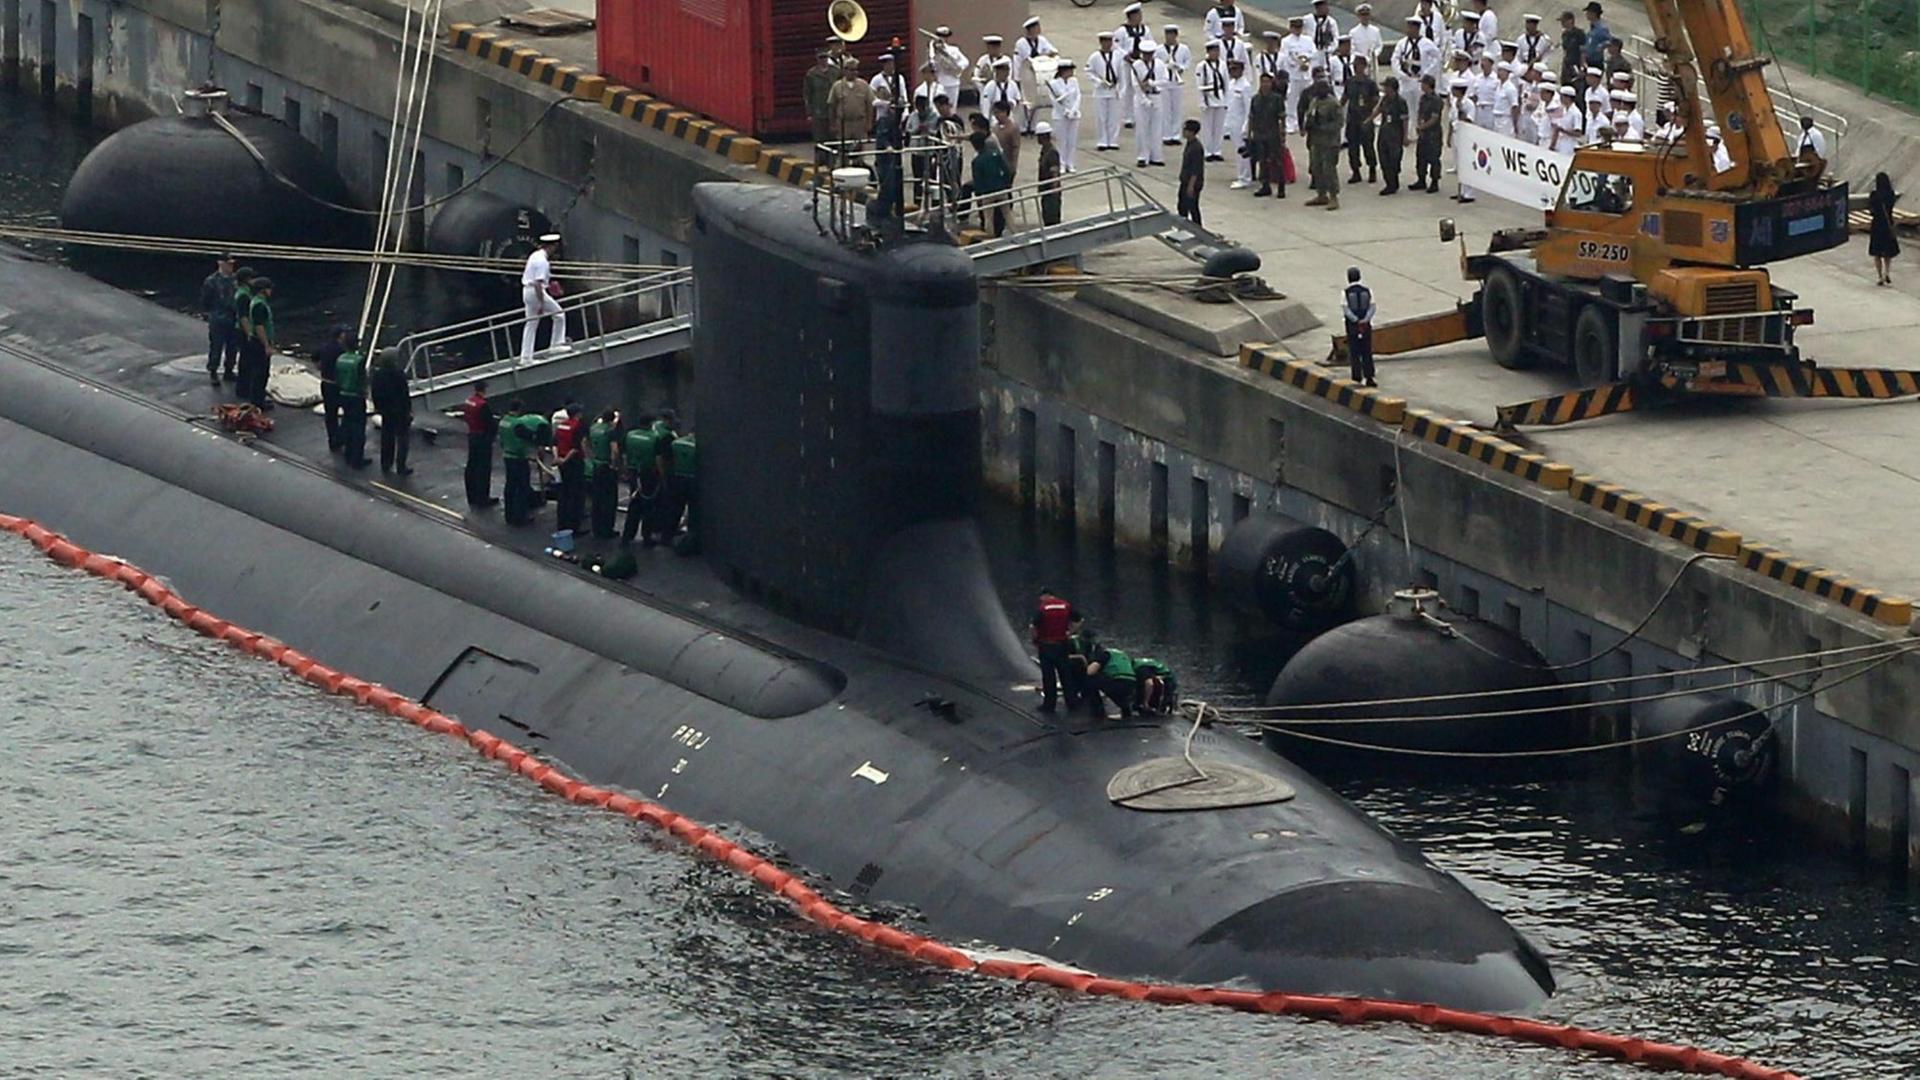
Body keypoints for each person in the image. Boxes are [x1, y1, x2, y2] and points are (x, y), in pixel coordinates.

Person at [498, 400, 548, 526]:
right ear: (520, 409)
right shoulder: (517, 424)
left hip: (507, 456)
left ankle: (509, 515)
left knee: (510, 486)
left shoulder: (503, 421)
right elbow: (530, 436)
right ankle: (520, 516)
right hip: (518, 458)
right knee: (521, 487)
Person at [520, 234, 567, 362]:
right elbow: (537, 283)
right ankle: (556, 345)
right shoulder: (543, 262)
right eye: (555, 247)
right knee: (559, 314)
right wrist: (541, 303)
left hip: (526, 291)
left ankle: (525, 357)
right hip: (536, 292)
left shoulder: (535, 255)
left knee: (531, 324)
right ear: (551, 247)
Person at [1303, 72, 1345, 209]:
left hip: (1329, 141)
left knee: (1329, 170)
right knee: (1317, 168)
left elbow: (1339, 123)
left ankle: (1333, 196)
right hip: (1316, 141)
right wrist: (1308, 126)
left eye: (1321, 88)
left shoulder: (1333, 103)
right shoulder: (1314, 102)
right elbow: (1310, 116)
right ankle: (1321, 194)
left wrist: (1322, 127)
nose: (1318, 91)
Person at [1031, 587, 1077, 712]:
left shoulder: (1042, 608)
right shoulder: (1065, 605)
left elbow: (1033, 626)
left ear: (1045, 595)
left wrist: (1035, 639)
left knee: (1048, 676)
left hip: (1046, 644)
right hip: (1062, 644)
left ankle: (1049, 705)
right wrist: (1069, 632)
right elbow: (1079, 619)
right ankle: (1071, 703)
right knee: (1066, 675)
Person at [369, 348, 413, 476]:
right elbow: (404, 394)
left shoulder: (377, 375)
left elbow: (375, 392)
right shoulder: (399, 374)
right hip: (400, 411)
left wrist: (378, 408)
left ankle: (386, 464)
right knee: (403, 438)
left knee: (387, 437)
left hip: (386, 411)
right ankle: (401, 466)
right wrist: (408, 410)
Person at [199, 254, 238, 386]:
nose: (231, 266)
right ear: (221, 263)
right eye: (229, 264)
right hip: (218, 317)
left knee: (232, 346)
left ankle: (229, 370)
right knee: (216, 346)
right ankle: (213, 371)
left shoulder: (235, 279)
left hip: (233, 317)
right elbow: (206, 300)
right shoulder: (211, 281)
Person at [312, 325, 351, 453]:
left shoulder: (323, 347)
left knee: (330, 414)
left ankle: (332, 440)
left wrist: (321, 367)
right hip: (338, 385)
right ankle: (341, 437)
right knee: (348, 411)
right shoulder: (341, 350)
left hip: (326, 383)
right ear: (341, 336)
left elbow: (315, 359)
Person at [1248, 71, 1286, 198]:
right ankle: (1265, 186)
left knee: (1277, 161)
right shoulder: (1256, 99)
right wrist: (1250, 134)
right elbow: (1251, 117)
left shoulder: (1277, 99)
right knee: (1262, 161)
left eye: (1267, 82)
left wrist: (1282, 134)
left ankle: (1281, 187)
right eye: (1263, 82)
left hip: (1273, 134)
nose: (1265, 84)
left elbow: (1281, 118)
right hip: (1259, 134)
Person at [585, 405, 622, 539]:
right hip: (606, 466)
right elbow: (615, 450)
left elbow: (584, 442)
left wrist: (590, 456)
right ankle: (607, 529)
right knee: (609, 500)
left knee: (597, 498)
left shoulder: (593, 428)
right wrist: (614, 465)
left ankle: (596, 528)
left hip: (596, 464)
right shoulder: (610, 431)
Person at [827, 59, 876, 158]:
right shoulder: (837, 86)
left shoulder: (864, 85)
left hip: (859, 123)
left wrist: (869, 123)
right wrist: (832, 124)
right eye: (850, 70)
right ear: (845, 71)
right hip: (844, 124)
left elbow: (870, 105)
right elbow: (832, 105)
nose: (853, 72)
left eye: (855, 70)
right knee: (843, 151)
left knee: (859, 150)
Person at [1014, 17, 1055, 133]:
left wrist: (1049, 54)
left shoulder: (1042, 41)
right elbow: (1017, 61)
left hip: (1037, 74)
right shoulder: (1021, 43)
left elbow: (1052, 50)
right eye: (1036, 28)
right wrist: (1017, 78)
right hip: (1026, 74)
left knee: (1036, 99)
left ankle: (1032, 126)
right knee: (1025, 101)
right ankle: (1023, 126)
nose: (1038, 30)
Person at [333, 338, 369, 470]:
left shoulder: (340, 359)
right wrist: (364, 392)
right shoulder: (359, 360)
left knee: (347, 424)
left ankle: (348, 454)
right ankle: (357, 458)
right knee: (359, 428)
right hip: (356, 397)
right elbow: (362, 380)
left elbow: (337, 378)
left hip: (343, 395)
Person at [241, 276, 276, 409]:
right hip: (259, 343)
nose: (270, 291)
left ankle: (258, 398)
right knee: (261, 373)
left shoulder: (256, 301)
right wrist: (266, 345)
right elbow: (259, 326)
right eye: (269, 288)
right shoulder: (259, 305)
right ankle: (257, 401)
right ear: (263, 290)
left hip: (256, 342)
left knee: (259, 371)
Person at [552, 402, 586, 534]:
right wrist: (566, 459)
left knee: (563, 494)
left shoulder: (561, 425)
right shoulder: (578, 426)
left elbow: (554, 443)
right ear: (577, 414)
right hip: (574, 463)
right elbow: (576, 447)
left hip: (561, 463)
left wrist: (558, 458)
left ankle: (562, 524)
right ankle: (574, 527)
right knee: (575, 495)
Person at [463, 379, 499, 508]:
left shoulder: (469, 401)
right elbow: (489, 423)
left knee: (472, 465)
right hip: (482, 437)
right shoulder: (483, 405)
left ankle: (471, 496)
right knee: (483, 468)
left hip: (472, 435)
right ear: (483, 390)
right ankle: (483, 498)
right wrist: (492, 437)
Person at [1345, 56, 1380, 184]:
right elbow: (1345, 97)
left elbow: (1376, 99)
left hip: (1365, 118)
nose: (1355, 68)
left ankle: (1372, 169)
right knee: (1352, 148)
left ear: (1364, 66)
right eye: (1354, 65)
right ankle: (1356, 171)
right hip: (1352, 118)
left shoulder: (1370, 83)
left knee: (1368, 146)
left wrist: (1369, 107)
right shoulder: (1350, 81)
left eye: (1358, 65)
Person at [1087, 31, 1125, 152]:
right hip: (1101, 91)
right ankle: (1102, 140)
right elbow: (1089, 71)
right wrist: (1098, 81)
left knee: (1114, 117)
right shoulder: (1095, 57)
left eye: (1109, 41)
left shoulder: (1118, 56)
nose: (1107, 44)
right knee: (1101, 117)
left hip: (1114, 90)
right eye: (1105, 42)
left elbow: (1121, 73)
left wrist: (1121, 88)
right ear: (1101, 42)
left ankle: (1113, 141)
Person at [1130, 39, 1165, 167]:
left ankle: (1156, 155)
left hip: (1156, 95)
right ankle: (1142, 156)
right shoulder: (1136, 65)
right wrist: (1144, 99)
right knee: (1142, 128)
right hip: (1141, 98)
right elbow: (1135, 84)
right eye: (1145, 53)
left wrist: (1152, 84)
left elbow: (1165, 80)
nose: (1147, 56)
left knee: (1156, 127)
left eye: (1150, 53)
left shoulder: (1160, 64)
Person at [1083, 638, 1137, 720]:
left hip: (1117, 682)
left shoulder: (1104, 653)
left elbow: (1090, 671)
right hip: (1131, 683)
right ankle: (1126, 710)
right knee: (1112, 684)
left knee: (1091, 679)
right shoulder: (1122, 654)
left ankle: (1098, 712)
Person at [1342, 267, 1378, 386]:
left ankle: (1356, 377)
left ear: (1348, 278)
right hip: (1365, 325)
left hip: (1352, 326)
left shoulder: (1345, 292)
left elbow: (1346, 309)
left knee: (1354, 351)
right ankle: (1369, 377)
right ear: (1359, 277)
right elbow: (1372, 307)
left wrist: (1356, 320)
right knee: (1367, 351)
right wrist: (1365, 320)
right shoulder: (1367, 291)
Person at [1196, 41, 1230, 161]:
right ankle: (1207, 151)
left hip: (1220, 97)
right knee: (1208, 127)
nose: (1215, 54)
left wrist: (1227, 100)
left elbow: (1226, 82)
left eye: (1217, 51)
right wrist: (1202, 102)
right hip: (1208, 97)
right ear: (1208, 52)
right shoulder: (1202, 66)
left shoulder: (1222, 64)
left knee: (1218, 127)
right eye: (1213, 51)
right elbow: (1199, 85)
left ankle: (1217, 150)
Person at [1281, 16, 1315, 134]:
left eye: (1299, 27)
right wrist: (1297, 63)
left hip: (1306, 73)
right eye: (1295, 27)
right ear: (1291, 28)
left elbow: (1313, 53)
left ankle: (1306, 121)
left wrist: (1306, 60)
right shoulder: (1286, 41)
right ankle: (1291, 122)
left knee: (1307, 98)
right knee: (1292, 99)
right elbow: (1285, 56)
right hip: (1293, 73)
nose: (1297, 30)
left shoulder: (1308, 40)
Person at [1375, 75, 1409, 194]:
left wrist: (1405, 136)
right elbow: (1378, 110)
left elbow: (1405, 120)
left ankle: (1393, 183)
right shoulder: (1384, 99)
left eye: (1386, 87)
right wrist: (1368, 120)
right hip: (1384, 132)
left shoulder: (1401, 102)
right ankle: (1389, 183)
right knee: (1383, 159)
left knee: (1394, 160)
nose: (1384, 89)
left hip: (1395, 134)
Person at [1046, 58, 1081, 172]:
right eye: (1069, 70)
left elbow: (1078, 96)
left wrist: (1073, 110)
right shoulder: (1054, 84)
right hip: (1060, 115)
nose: (1071, 73)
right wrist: (1064, 111)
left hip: (1074, 114)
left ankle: (1070, 163)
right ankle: (1061, 163)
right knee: (1062, 141)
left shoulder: (1074, 81)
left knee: (1072, 140)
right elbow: (1054, 101)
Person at [1225, 58, 1254, 188]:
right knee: (1237, 151)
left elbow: (1249, 108)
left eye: (1235, 69)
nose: (1232, 72)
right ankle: (1240, 174)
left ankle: (1245, 178)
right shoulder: (1231, 84)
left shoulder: (1245, 86)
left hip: (1241, 123)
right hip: (1232, 122)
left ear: (1242, 70)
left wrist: (1246, 127)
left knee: (1242, 152)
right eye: (1230, 69)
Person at [1159, 26, 1191, 148]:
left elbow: (1187, 62)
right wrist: (1166, 66)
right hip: (1165, 82)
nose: (1169, 37)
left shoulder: (1183, 49)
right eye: (1167, 35)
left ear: (1176, 35)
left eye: (1172, 35)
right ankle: (1166, 135)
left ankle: (1176, 134)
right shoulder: (1160, 50)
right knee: (1166, 109)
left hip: (1177, 82)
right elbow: (1157, 64)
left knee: (1177, 109)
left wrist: (1179, 67)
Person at [804, 48, 838, 162]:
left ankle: (833, 162)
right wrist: (809, 112)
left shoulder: (835, 71)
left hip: (833, 110)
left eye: (825, 57)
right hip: (818, 110)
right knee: (820, 139)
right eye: (821, 58)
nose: (823, 60)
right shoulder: (811, 74)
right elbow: (807, 94)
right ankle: (820, 163)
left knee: (834, 138)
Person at [1870, 172, 1901, 287]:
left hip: (1877, 225)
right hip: (1888, 224)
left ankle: (1879, 276)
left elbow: (1871, 211)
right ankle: (1886, 273)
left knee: (1877, 252)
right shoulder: (1890, 194)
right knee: (1887, 252)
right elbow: (1891, 207)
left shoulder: (1874, 195)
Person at [1415, 74, 1444, 192]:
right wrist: (1419, 125)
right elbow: (1420, 113)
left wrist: (1422, 127)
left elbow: (1434, 118)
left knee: (1433, 158)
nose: (1421, 86)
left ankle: (1434, 181)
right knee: (1421, 157)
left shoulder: (1436, 100)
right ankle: (1421, 179)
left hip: (1433, 133)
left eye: (1423, 84)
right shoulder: (1423, 98)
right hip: (1423, 133)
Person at [1177, 119, 1206, 225]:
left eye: (1185, 130)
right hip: (1185, 181)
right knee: (1182, 206)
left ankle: (1197, 229)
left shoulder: (1196, 148)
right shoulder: (1189, 144)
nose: (1183, 132)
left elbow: (1196, 169)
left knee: (1192, 207)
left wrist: (1191, 186)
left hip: (1192, 183)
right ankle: (1184, 227)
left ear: (1192, 132)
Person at [930, 26, 968, 106]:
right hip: (940, 82)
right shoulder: (933, 50)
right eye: (940, 36)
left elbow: (965, 61)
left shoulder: (953, 50)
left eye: (945, 37)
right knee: (938, 106)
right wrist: (932, 48)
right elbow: (931, 62)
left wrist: (957, 68)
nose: (943, 38)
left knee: (952, 105)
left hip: (953, 81)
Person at [1036, 123, 1063, 226]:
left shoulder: (1051, 152)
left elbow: (1055, 173)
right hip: (1046, 191)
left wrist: (1054, 191)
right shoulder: (1045, 150)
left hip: (1051, 192)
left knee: (1051, 219)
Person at [991, 99, 1022, 179]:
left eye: (998, 112)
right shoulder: (995, 128)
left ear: (1005, 112)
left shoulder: (1013, 128)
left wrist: (1013, 166)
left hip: (1007, 163)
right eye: (995, 113)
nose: (996, 115)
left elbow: (1015, 147)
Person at [1350, 3, 1384, 68]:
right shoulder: (1353, 32)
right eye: (1363, 15)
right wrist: (1363, 57)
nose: (1365, 17)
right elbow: (1352, 48)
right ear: (1359, 16)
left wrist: (1375, 54)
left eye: (1367, 15)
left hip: (1373, 62)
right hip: (1360, 63)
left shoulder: (1375, 30)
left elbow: (1379, 45)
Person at [1558, 10, 1588, 86]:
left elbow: (1583, 51)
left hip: (1576, 63)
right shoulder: (1564, 34)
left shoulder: (1579, 33)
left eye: (1564, 21)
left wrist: (1582, 67)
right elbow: (1565, 50)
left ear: (1570, 21)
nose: (1562, 23)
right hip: (1567, 64)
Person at [1582, 2, 1612, 67]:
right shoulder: (1591, 28)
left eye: (1588, 12)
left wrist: (1601, 46)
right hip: (1587, 60)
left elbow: (1610, 41)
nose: (1586, 14)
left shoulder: (1602, 28)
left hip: (1595, 61)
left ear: (1594, 14)